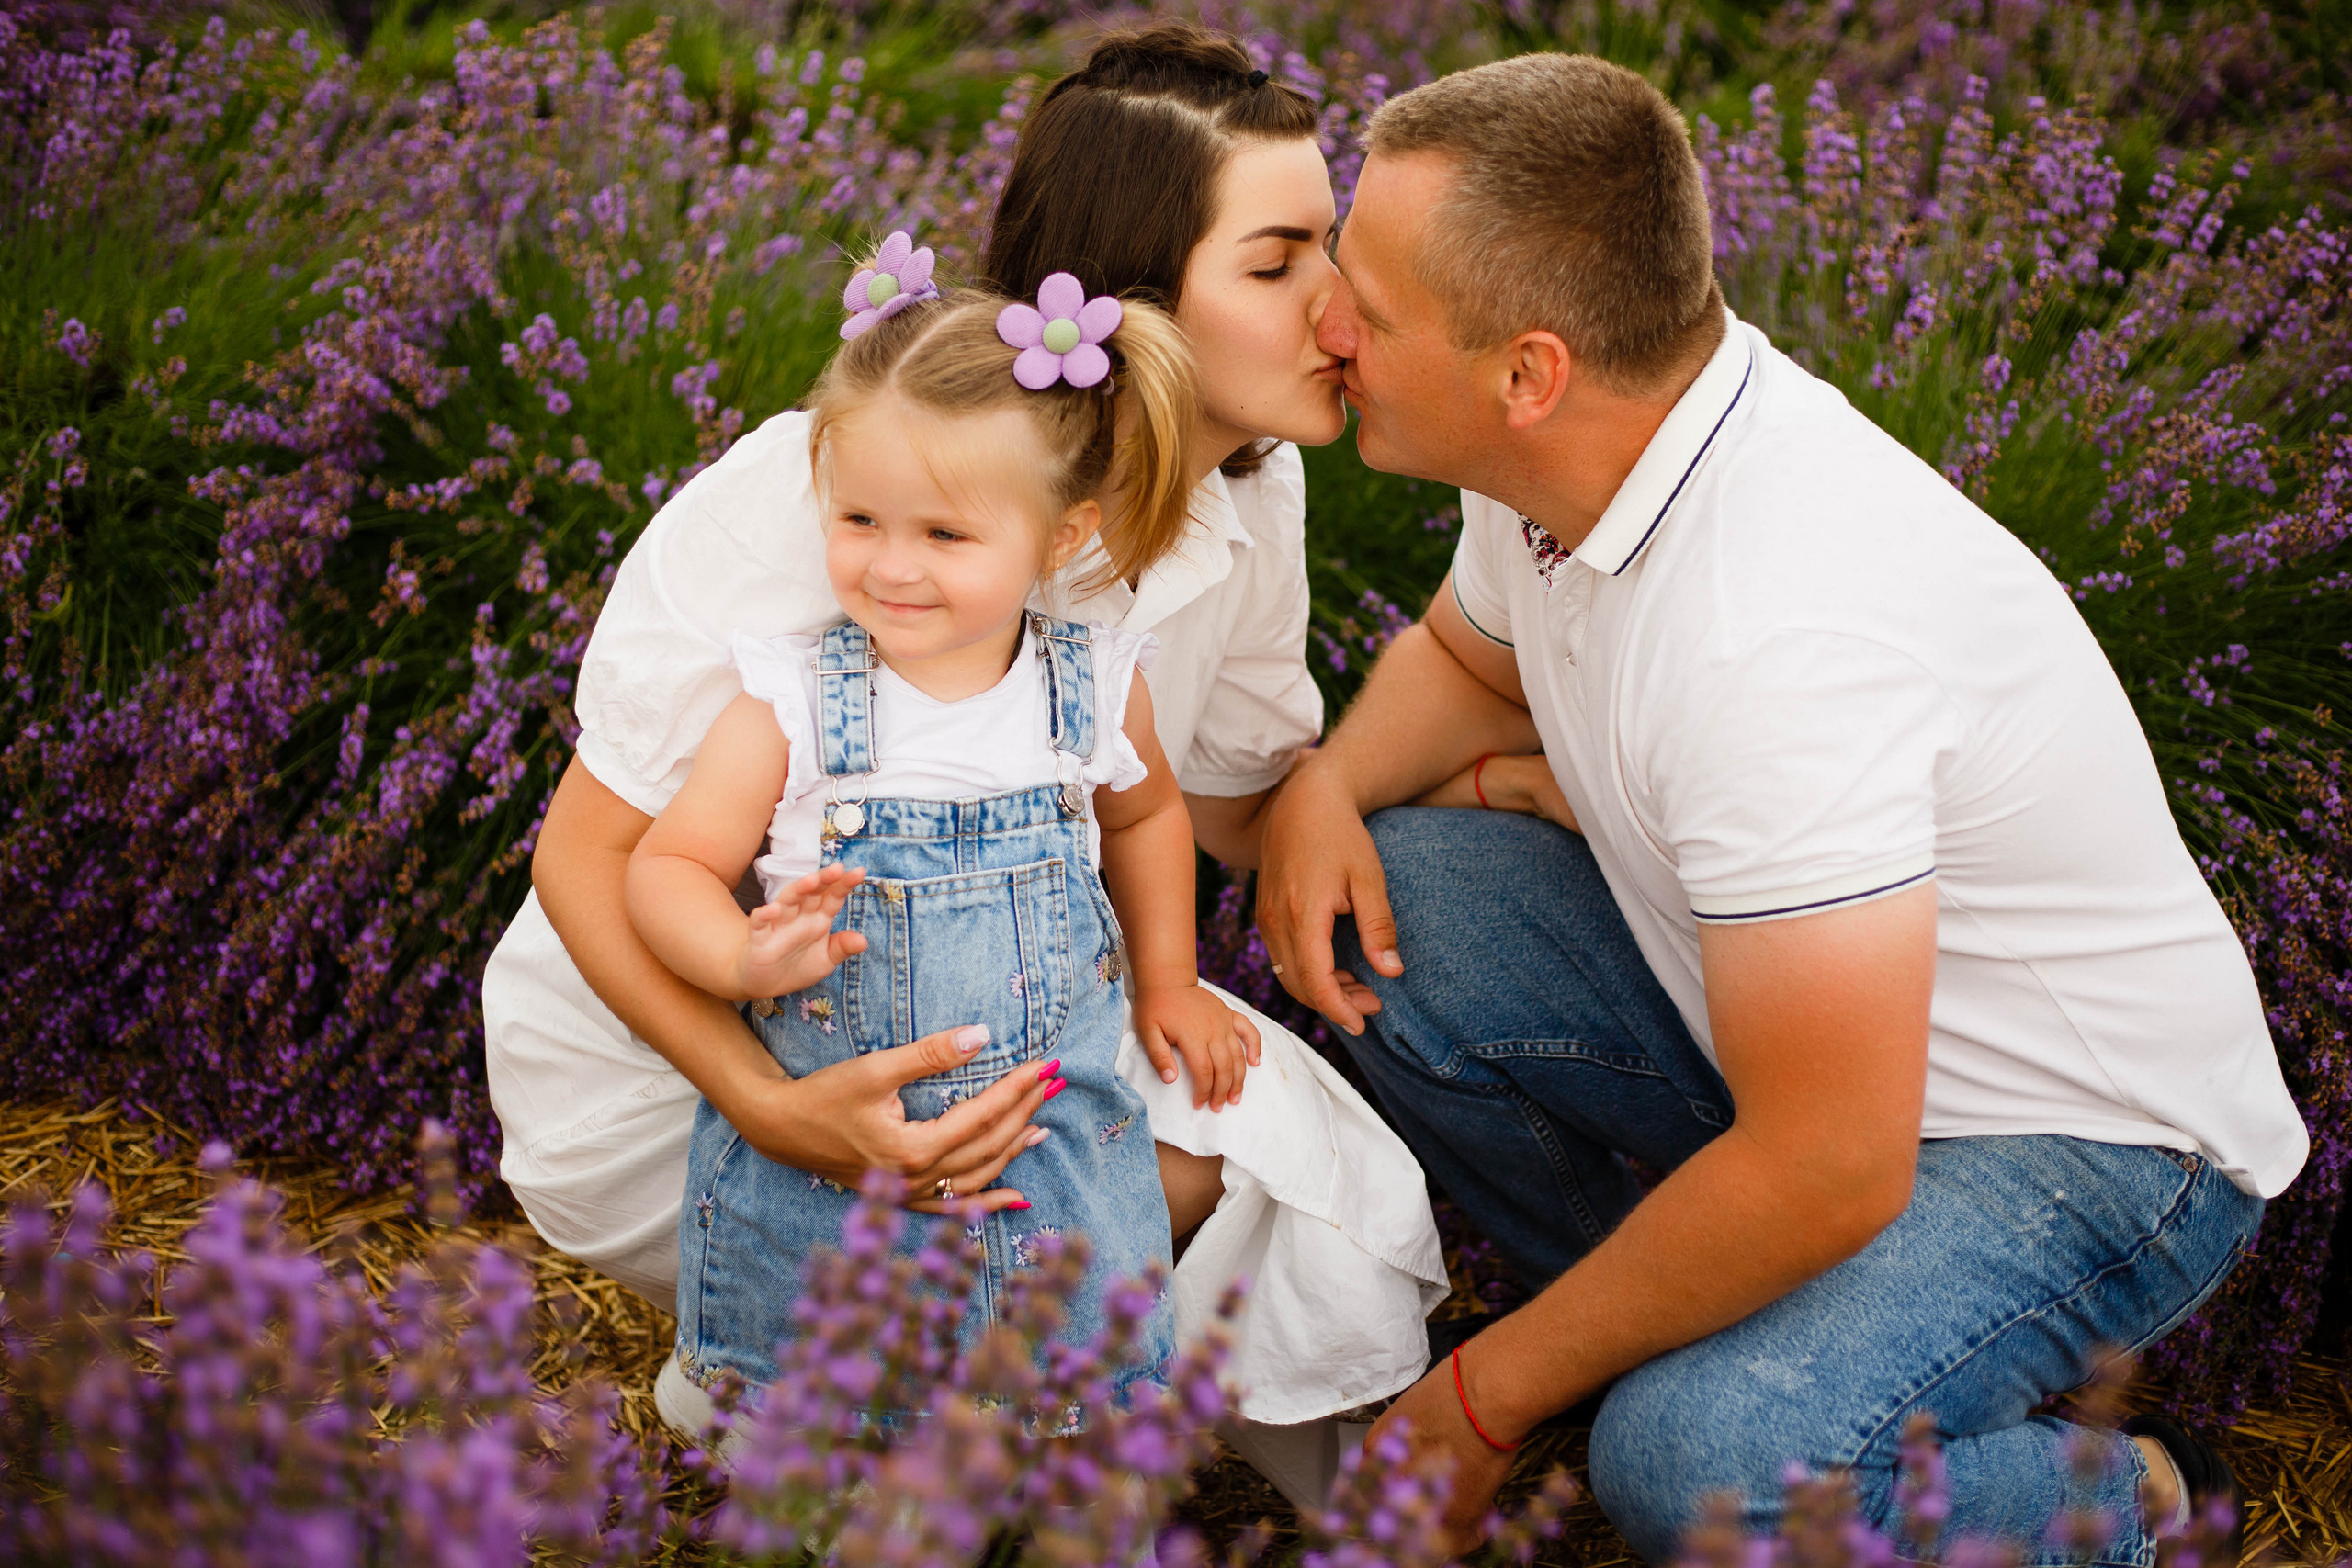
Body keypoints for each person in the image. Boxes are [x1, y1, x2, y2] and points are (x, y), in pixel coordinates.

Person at [1257, 51, 2308, 1557]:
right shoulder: (1571, 448)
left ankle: (2127, 1494)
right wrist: (1326, 788)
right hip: (1814, 1058)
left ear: (1528, 373)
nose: (1324, 323)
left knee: (1705, 1471)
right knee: (1392, 900)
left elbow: (1830, 1162)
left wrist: (1475, 1401)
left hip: (2086, 1145)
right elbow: (1464, 661)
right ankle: (1683, 1330)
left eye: (1367, 298)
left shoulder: (1775, 637)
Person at [482, 20, 1444, 1503]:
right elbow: (588, 857)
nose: (1340, 299)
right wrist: (771, 1105)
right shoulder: (852, 491)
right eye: (1277, 263)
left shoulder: (1253, 498)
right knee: (1125, 1181)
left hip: (993, 1026)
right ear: (1131, 306)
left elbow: (1220, 793)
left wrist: (1354, 780)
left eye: (1332, 240)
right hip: (695, 1060)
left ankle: (937, 1413)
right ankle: (811, 1367)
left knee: (1280, 1157)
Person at [631, 275, 1256, 1398]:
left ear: (1060, 535)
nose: (893, 565)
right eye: (860, 520)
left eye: (945, 533)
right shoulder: (791, 704)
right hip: (833, 1179)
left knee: (1059, 1386)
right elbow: (666, 865)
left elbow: (1147, 813)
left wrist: (1169, 980)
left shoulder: (1091, 690)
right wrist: (736, 956)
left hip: (1045, 1155)